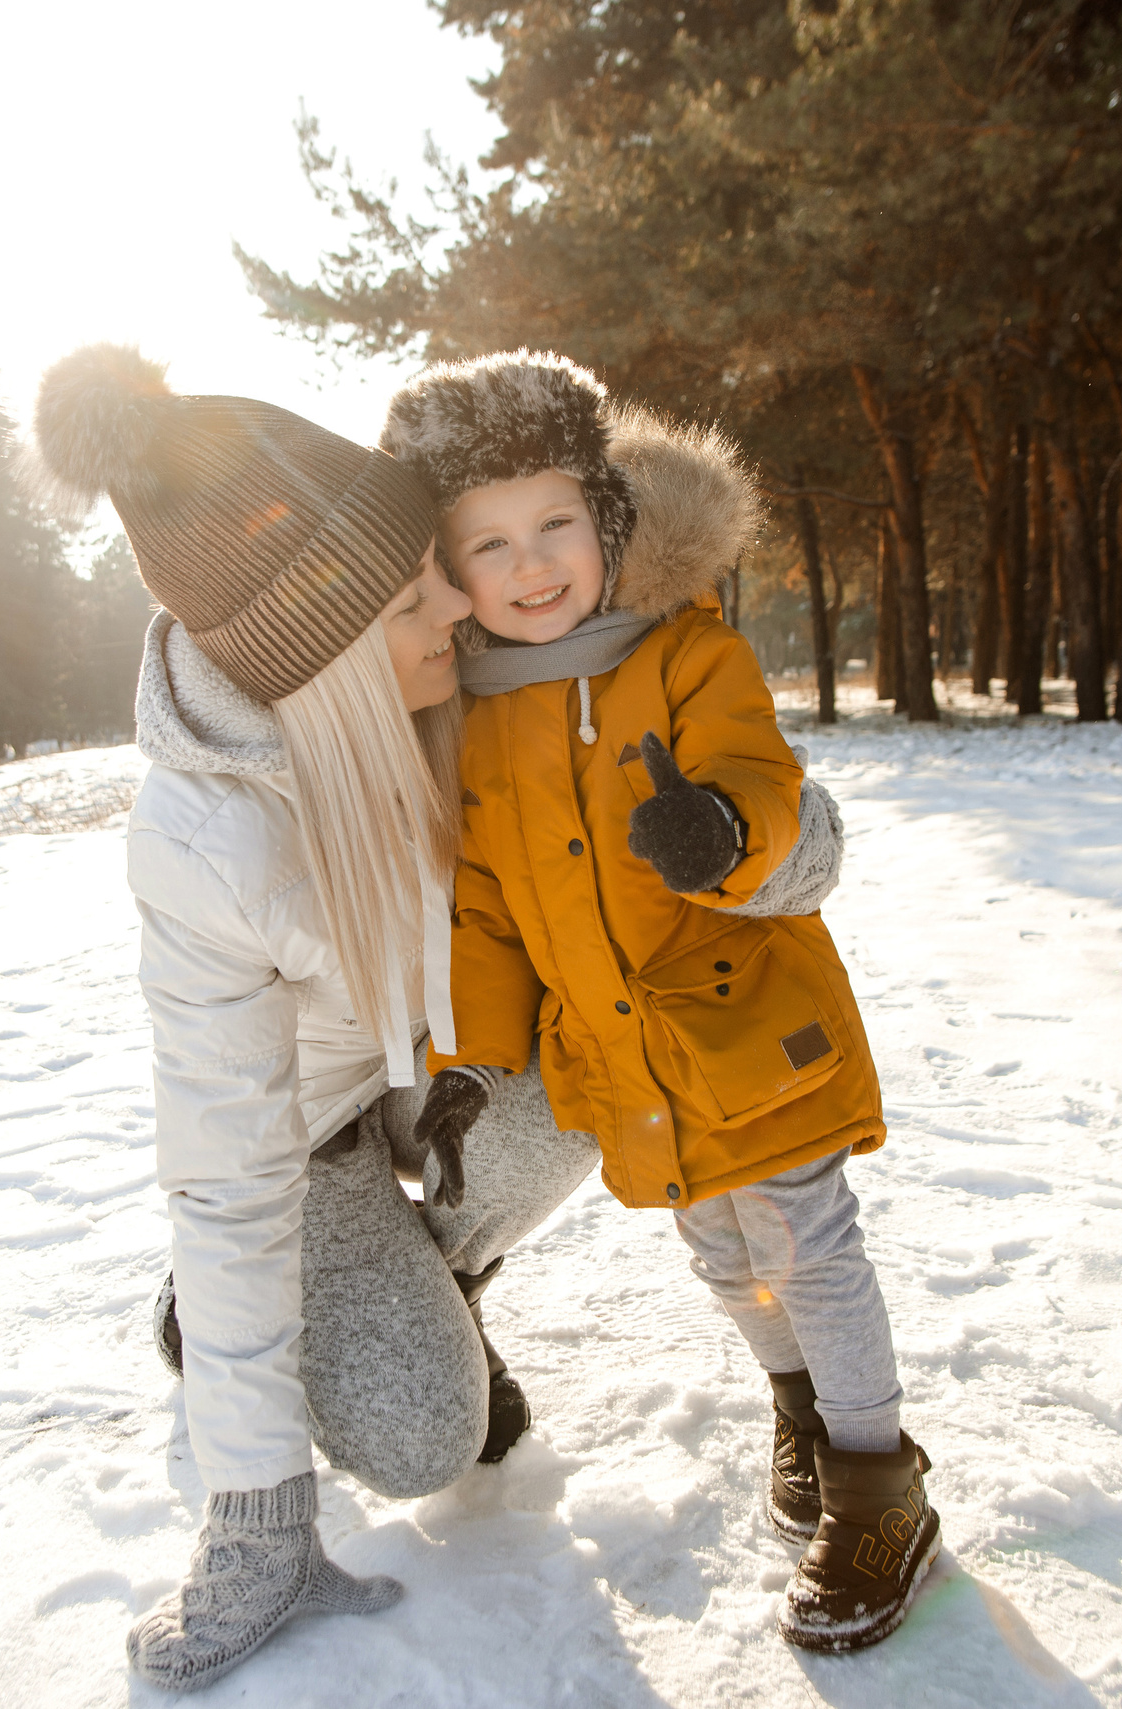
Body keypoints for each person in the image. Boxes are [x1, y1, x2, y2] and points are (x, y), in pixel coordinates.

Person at [27, 344, 602, 1693]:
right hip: (309, 1152)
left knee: (606, 1086)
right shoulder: (206, 841)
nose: (462, 602)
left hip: (429, 1073)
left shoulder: (437, 692)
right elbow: (226, 1176)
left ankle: (429, 1281)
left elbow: (608, 579)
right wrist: (258, 1518)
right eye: (416, 598)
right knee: (424, 1439)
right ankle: (299, 1323)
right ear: (330, 653)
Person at [378, 351, 941, 1654]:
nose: (532, 565)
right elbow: (488, 912)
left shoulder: (684, 651)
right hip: (626, 1065)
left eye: (556, 524)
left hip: (752, 1028)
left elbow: (762, 771)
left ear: (606, 516)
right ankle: (801, 1412)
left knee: (809, 1244)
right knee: (728, 1258)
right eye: (494, 541)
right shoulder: (481, 712)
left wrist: (723, 827)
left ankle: (879, 1485)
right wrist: (469, 1055)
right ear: (455, 567)